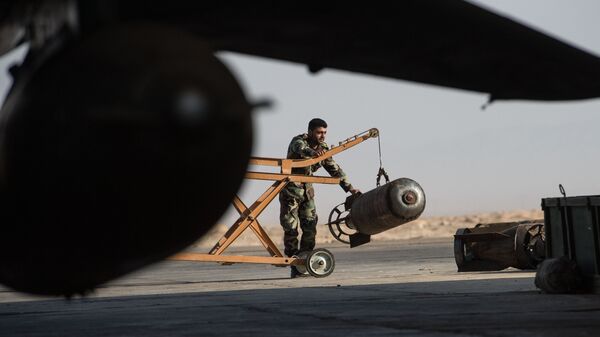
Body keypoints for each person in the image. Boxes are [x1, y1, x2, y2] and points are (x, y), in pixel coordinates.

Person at [279, 118, 360, 278]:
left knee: (310, 226)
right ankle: (294, 265)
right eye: (319, 132)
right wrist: (315, 154)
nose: (322, 136)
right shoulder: (298, 141)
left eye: (324, 133)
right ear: (310, 132)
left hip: (307, 192)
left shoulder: (323, 148)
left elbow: (333, 168)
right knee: (290, 228)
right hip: (291, 193)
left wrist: (350, 188)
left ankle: (305, 261)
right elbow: (303, 150)